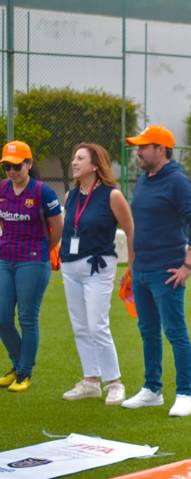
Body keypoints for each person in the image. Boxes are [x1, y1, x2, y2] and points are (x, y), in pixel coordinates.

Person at [121, 125, 191, 417]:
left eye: (144, 147)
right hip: (142, 270)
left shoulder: (177, 181)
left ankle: (185, 394)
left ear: (161, 149)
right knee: (147, 332)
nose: (138, 152)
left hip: (166, 271)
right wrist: (131, 267)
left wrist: (188, 263)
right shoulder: (144, 180)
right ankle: (152, 389)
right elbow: (137, 226)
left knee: (175, 332)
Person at [60, 143, 134, 405]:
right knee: (80, 326)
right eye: (73, 158)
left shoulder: (112, 195)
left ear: (94, 165)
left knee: (97, 325)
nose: (74, 162)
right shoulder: (71, 196)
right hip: (70, 266)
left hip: (98, 266)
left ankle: (114, 382)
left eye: (80, 158)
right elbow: (71, 228)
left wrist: (131, 265)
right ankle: (90, 380)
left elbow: (130, 229)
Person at [0, 140, 63, 392]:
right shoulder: (2, 189)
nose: (12, 171)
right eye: (7, 166)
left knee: (27, 317)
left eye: (17, 166)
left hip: (33, 260)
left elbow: (57, 227)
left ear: (29, 164)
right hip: (5, 258)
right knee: (2, 317)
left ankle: (25, 372)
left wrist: (44, 250)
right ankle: (18, 365)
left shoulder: (42, 192)